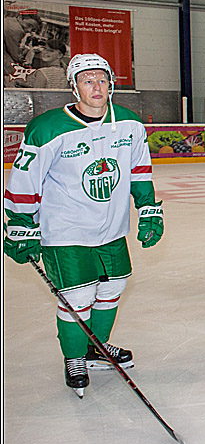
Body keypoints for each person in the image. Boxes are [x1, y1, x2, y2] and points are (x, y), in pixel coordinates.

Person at [3, 53, 163, 395]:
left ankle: (96, 348)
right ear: (74, 87)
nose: (97, 87)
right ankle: (74, 356)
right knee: (77, 296)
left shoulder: (130, 124)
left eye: (103, 80)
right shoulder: (48, 128)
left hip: (111, 228)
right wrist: (19, 222)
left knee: (113, 288)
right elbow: (24, 180)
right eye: (88, 80)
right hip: (65, 230)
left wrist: (148, 208)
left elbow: (139, 171)